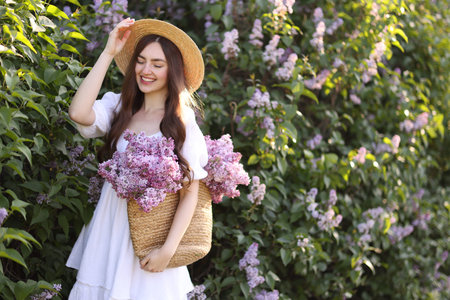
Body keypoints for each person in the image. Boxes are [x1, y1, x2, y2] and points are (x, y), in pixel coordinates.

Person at [66, 18, 208, 299]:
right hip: (111, 227)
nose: (146, 70)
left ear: (173, 71)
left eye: (157, 64)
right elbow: (78, 114)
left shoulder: (182, 124)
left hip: (151, 235)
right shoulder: (120, 107)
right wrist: (108, 52)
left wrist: (167, 252)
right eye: (141, 61)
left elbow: (190, 193)